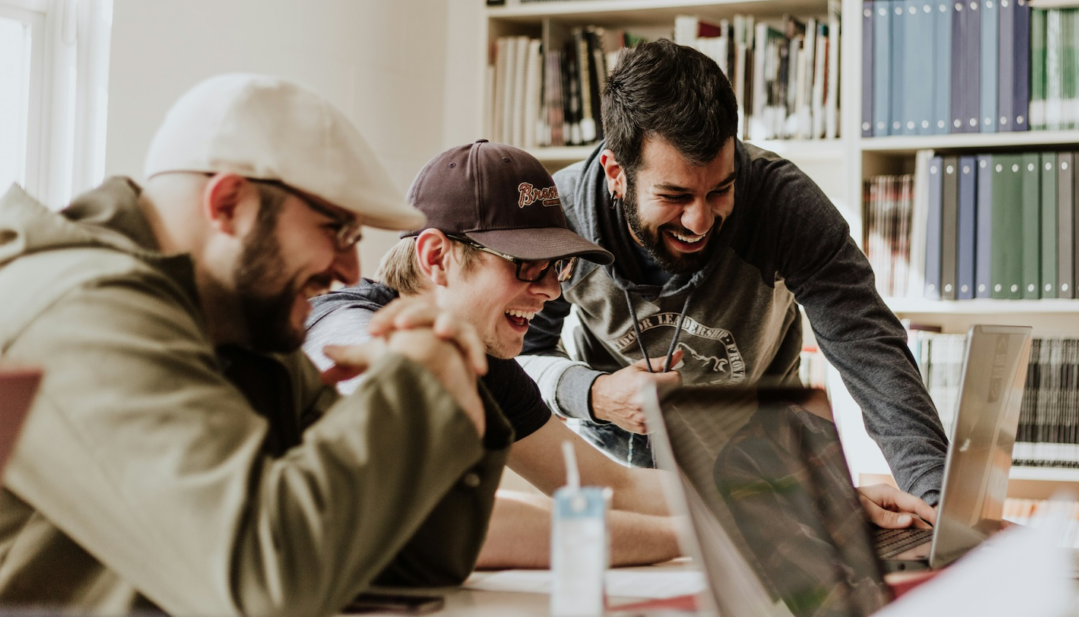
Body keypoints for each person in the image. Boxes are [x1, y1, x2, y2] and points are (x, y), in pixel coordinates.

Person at [0, 75, 512, 617]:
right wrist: (415, 388)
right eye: (335, 229)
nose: (350, 267)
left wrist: (452, 389)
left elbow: (406, 562)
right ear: (228, 203)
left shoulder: (239, 328)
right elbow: (263, 585)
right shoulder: (80, 314)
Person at [305, 141, 934, 570]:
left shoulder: (484, 360)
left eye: (557, 269)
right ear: (437, 257)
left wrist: (807, 502)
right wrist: (735, 534)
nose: (551, 291)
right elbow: (456, 521)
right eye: (526, 267)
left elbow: (609, 485)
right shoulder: (348, 331)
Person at [518, 38, 950, 508]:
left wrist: (936, 503)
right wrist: (594, 394)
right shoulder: (560, 220)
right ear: (615, 173)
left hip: (762, 468)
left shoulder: (785, 205)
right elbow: (518, 357)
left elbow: (872, 353)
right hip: (617, 477)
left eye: (720, 190)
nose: (699, 221)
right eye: (675, 196)